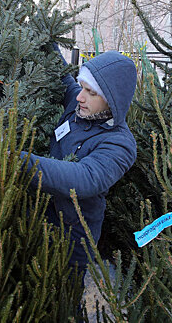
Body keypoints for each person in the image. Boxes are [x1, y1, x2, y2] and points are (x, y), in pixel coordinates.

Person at [21, 45, 138, 280]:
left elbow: (84, 178)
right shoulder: (79, 110)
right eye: (82, 87)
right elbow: (65, 76)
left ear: (112, 99)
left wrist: (17, 160)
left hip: (74, 235)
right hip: (39, 217)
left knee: (64, 291)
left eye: (91, 92)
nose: (79, 97)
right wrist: (49, 40)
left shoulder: (120, 144)